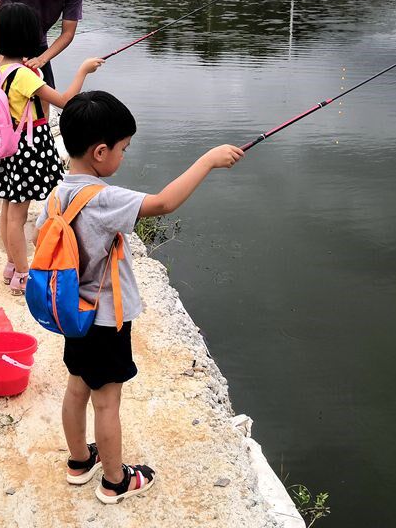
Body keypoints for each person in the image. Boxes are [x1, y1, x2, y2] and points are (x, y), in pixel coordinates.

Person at [38, 90, 243, 504]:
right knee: (107, 402)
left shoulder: (58, 194)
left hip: (71, 315)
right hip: (104, 320)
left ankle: (80, 461)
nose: (124, 157)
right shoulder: (105, 199)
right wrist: (208, 160)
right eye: (123, 149)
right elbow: (164, 203)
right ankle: (115, 480)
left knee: (77, 386)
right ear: (100, 152)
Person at [0, 3, 103, 295]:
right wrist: (84, 71)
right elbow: (66, 102)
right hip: (29, 149)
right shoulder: (24, 76)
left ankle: (11, 265)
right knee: (19, 216)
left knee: (8, 210)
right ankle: (22, 274)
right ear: (28, 38)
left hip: (8, 148)